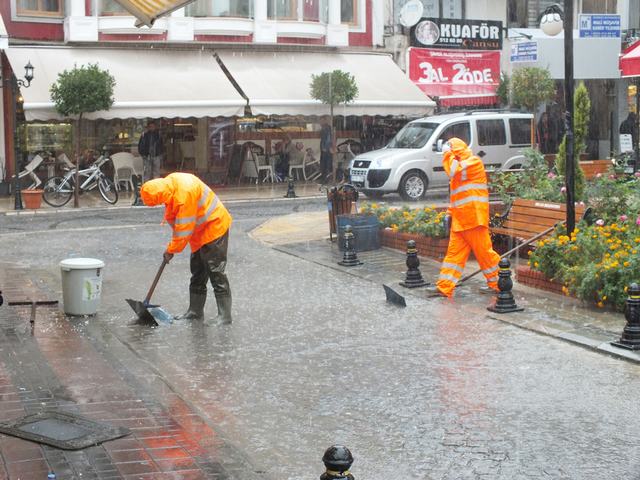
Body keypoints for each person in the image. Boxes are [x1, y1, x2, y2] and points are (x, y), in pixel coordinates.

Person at [140, 172, 233, 324]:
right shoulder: (170, 185)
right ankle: (195, 311)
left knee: (216, 271)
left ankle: (225, 316)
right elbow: (176, 221)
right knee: (197, 271)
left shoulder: (184, 194)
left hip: (214, 226)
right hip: (199, 232)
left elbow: (183, 229)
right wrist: (172, 247)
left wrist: (171, 249)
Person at [426, 137, 501, 298]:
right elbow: (456, 197)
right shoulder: (459, 170)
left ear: (457, 151)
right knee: (453, 255)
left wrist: (447, 153)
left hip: (473, 219)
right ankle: (444, 287)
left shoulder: (473, 162)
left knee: (485, 254)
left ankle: (500, 284)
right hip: (461, 221)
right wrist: (449, 214)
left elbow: (454, 170)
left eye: (451, 151)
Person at [320, 117, 333, 183]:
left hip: (326, 149)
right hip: (324, 149)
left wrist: (326, 147)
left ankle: (325, 179)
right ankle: (324, 178)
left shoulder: (327, 128)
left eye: (321, 120)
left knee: (326, 164)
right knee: (324, 164)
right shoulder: (324, 128)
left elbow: (328, 139)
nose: (320, 122)